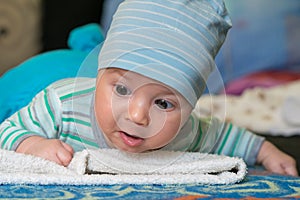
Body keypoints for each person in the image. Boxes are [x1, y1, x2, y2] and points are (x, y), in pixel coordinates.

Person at [0, 0, 297, 176]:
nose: (138, 115)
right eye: (121, 90)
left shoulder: (187, 132)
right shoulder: (62, 104)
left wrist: (266, 151)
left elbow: (227, 136)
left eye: (163, 104)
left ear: (190, 107)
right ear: (101, 73)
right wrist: (32, 144)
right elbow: (7, 131)